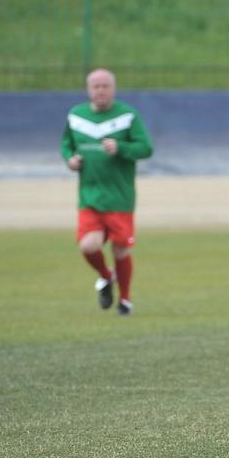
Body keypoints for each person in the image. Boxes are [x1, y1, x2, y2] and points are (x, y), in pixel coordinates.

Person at [60, 68, 154, 316]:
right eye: (96, 86)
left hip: (120, 198)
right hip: (90, 196)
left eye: (105, 86)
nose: (100, 90)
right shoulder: (76, 116)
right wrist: (70, 159)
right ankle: (106, 275)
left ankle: (125, 300)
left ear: (113, 89)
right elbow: (66, 144)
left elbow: (146, 148)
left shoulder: (127, 116)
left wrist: (121, 148)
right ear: (88, 89)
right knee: (88, 246)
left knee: (120, 250)